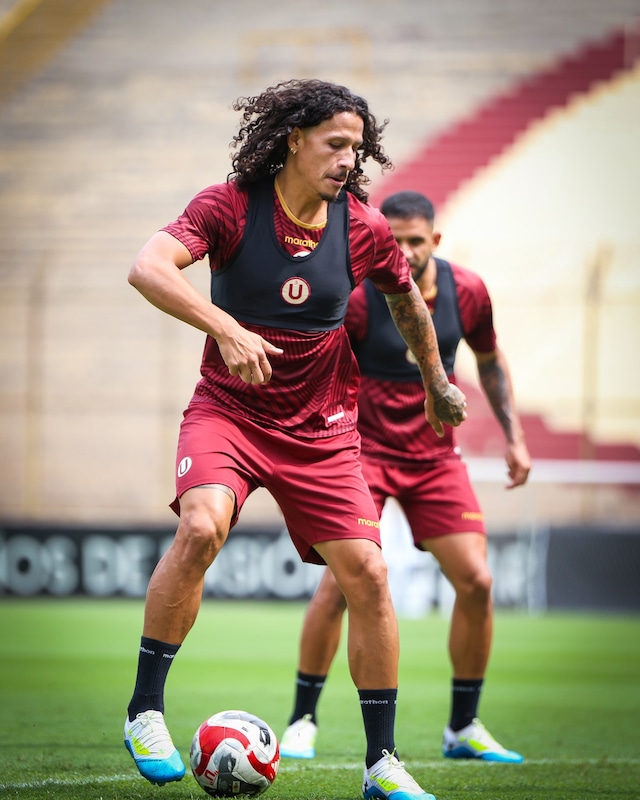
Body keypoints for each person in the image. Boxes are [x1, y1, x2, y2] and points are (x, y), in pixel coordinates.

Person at [123, 81, 467, 800]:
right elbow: (147, 267)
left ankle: (382, 766)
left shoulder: (364, 227)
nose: (349, 159)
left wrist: (436, 383)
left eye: (356, 147)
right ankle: (144, 711)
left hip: (324, 431)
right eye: (334, 144)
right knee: (201, 527)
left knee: (369, 576)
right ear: (292, 141)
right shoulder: (227, 208)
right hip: (229, 412)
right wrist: (225, 327)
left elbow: (405, 300)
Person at [280, 190, 531, 765]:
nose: (406, 250)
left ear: (435, 241)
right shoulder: (363, 297)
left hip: (434, 458)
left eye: (417, 240)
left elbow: (489, 360)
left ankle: (463, 728)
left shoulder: (467, 292)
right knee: (341, 584)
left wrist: (514, 438)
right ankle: (302, 720)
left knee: (477, 582)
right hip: (360, 454)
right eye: (395, 240)